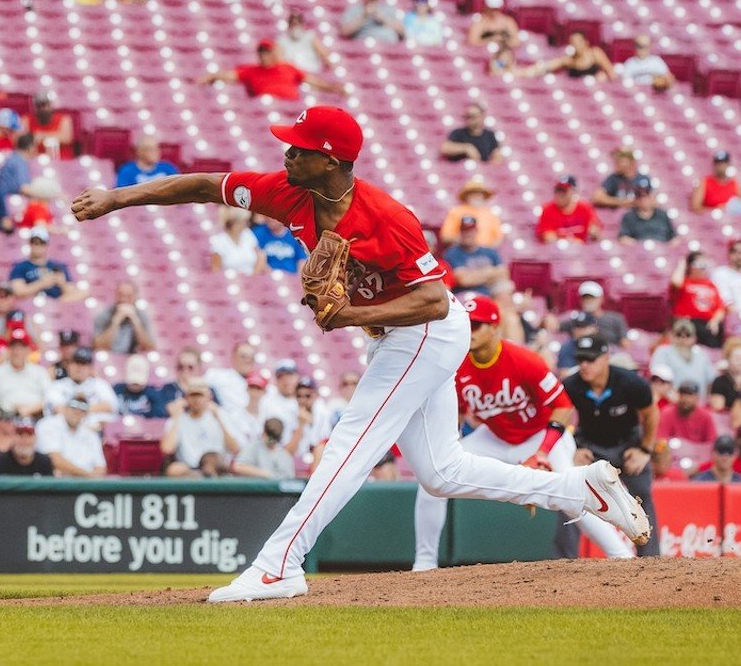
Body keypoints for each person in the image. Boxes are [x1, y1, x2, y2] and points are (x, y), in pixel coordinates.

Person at [71, 104, 649, 601]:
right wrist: (116, 198)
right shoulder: (286, 190)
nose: (286, 156)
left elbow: (432, 301)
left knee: (352, 441)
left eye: (298, 149)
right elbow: (202, 185)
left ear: (332, 161)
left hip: (426, 329)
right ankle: (578, 489)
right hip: (396, 334)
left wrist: (351, 315)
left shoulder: (387, 217)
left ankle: (278, 565)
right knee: (441, 472)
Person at [415, 297, 631, 570]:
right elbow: (457, 412)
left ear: (495, 327)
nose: (469, 331)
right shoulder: (457, 366)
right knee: (433, 475)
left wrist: (541, 453)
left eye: (477, 325)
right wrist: (451, 442)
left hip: (540, 434)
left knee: (571, 497)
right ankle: (424, 562)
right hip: (496, 436)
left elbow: (563, 407)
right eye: (466, 324)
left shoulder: (522, 359)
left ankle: (623, 556)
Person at [561, 335, 660, 557]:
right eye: (581, 360)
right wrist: (574, 447)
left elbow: (651, 413)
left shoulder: (630, 383)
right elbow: (559, 417)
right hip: (590, 445)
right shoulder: (571, 385)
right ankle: (564, 561)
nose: (584, 365)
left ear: (605, 359)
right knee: (568, 493)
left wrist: (645, 450)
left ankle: (652, 561)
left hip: (627, 444)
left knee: (641, 495)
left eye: (591, 359)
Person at [197, 39, 344, 102]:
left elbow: (312, 81)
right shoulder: (251, 70)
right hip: (266, 109)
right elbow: (228, 75)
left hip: (290, 108)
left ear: (273, 53)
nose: (264, 55)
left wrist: (332, 88)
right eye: (261, 52)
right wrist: (210, 77)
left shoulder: (288, 68)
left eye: (267, 52)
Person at [0, 329, 48, 422]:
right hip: (6, 419)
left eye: (21, 347)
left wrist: (30, 409)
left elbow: (51, 398)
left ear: (28, 350)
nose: (17, 352)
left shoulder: (39, 371)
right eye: (14, 347)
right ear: (8, 350)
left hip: (35, 417)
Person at [35, 397, 106, 476]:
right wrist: (88, 476)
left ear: (86, 414)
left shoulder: (91, 434)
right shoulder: (48, 424)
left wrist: (89, 477)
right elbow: (54, 459)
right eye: (73, 406)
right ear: (65, 408)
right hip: (58, 483)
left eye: (83, 409)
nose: (77, 411)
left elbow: (101, 467)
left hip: (87, 484)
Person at [444, 218, 507, 297]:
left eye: (471, 231)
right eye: (464, 231)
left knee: (505, 288)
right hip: (465, 296)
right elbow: (464, 280)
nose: (467, 234)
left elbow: (504, 274)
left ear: (476, 231)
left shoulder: (489, 251)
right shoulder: (452, 253)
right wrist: (489, 272)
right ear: (460, 232)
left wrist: (473, 275)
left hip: (489, 294)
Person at [535, 175, 601, 243]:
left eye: (564, 191)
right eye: (557, 190)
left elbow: (595, 230)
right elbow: (549, 238)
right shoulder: (548, 209)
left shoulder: (585, 208)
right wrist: (573, 242)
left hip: (582, 251)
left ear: (573, 192)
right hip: (557, 252)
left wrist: (594, 233)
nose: (559, 194)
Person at [341, 0, 405, 44]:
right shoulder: (355, 9)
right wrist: (364, 16)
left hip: (388, 46)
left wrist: (383, 18)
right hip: (363, 45)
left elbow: (402, 31)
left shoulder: (387, 8)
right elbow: (344, 32)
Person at [540, 31, 616, 81]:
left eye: (578, 41)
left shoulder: (596, 54)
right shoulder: (569, 59)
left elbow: (611, 73)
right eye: (573, 42)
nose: (576, 44)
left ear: (586, 42)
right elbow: (547, 66)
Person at [210, 208, 266, 275]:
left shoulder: (247, 234)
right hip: (230, 281)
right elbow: (216, 269)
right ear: (233, 223)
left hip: (252, 279)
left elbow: (260, 256)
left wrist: (254, 275)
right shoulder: (219, 241)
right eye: (244, 221)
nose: (247, 224)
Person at [618, 179, 675, 243]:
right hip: (639, 250)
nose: (643, 199)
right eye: (639, 195)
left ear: (652, 196)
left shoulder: (663, 215)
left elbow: (674, 237)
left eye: (646, 195)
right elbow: (624, 238)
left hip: (663, 249)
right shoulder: (629, 217)